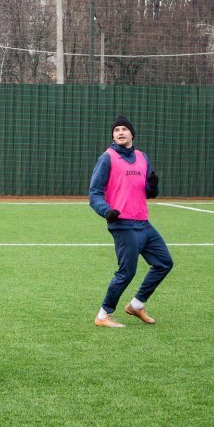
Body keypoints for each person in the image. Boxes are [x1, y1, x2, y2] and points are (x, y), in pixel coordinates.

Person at [88, 116, 173, 328]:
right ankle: (103, 315)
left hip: (143, 223)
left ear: (132, 134)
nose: (120, 132)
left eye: (124, 129)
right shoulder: (107, 158)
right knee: (126, 272)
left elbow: (149, 192)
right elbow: (94, 193)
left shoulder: (142, 157)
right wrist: (106, 211)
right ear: (113, 135)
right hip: (122, 224)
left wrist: (153, 186)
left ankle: (136, 305)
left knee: (164, 263)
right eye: (116, 130)